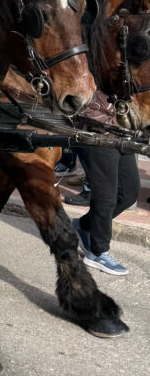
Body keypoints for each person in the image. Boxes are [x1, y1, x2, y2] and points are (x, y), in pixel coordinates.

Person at [70, 91, 138, 276]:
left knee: (129, 193)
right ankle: (97, 253)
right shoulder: (99, 63)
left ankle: (83, 225)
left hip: (123, 131)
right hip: (97, 130)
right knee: (106, 197)